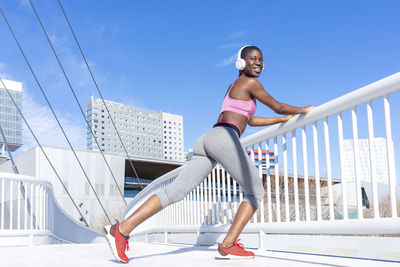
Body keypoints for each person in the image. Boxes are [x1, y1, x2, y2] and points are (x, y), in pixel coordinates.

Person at [104, 45, 314, 263]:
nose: (258, 63)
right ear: (241, 63)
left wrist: (280, 121)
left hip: (208, 138)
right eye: (253, 59)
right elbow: (278, 106)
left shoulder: (233, 86)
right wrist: (303, 110)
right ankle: (228, 244)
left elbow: (250, 120)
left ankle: (122, 229)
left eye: (261, 59)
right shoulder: (251, 83)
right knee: (255, 192)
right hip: (224, 137)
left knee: (175, 192)